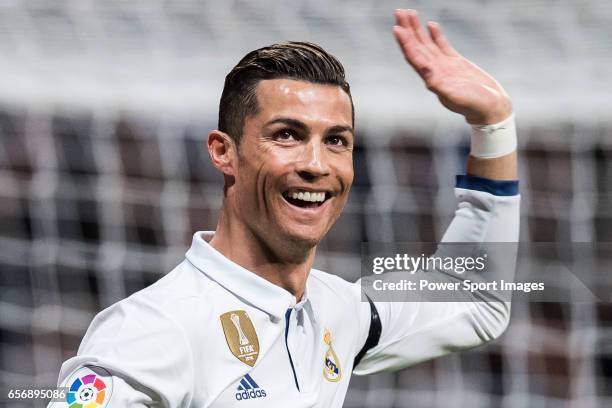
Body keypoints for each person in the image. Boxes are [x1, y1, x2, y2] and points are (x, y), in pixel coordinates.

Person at [49, 9, 519, 408]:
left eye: (336, 141)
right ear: (223, 152)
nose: (316, 165)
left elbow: (473, 297)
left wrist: (492, 123)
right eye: (287, 135)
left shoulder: (337, 311)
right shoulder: (151, 330)